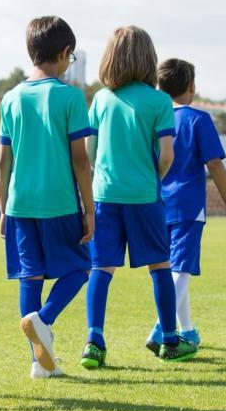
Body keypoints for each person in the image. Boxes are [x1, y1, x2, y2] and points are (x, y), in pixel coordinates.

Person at [82, 26, 198, 369]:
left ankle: (94, 340)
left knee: (101, 269)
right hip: (144, 196)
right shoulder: (160, 101)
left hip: (104, 195)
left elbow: (90, 152)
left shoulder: (102, 99)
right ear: (149, 58)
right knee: (160, 266)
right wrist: (153, 178)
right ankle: (169, 339)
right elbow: (167, 155)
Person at [0, 16, 94, 379]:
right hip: (59, 202)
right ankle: (44, 320)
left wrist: (3, 206)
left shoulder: (10, 98)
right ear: (66, 52)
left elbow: (4, 159)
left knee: (31, 277)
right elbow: (80, 160)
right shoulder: (70, 96)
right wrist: (89, 207)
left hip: (20, 203)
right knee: (80, 268)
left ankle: (39, 363)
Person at [145, 59, 226, 356]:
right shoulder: (199, 119)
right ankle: (161, 327)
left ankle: (186, 331)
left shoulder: (153, 119)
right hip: (187, 205)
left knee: (171, 269)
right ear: (191, 87)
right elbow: (215, 164)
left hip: (156, 203)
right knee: (182, 270)